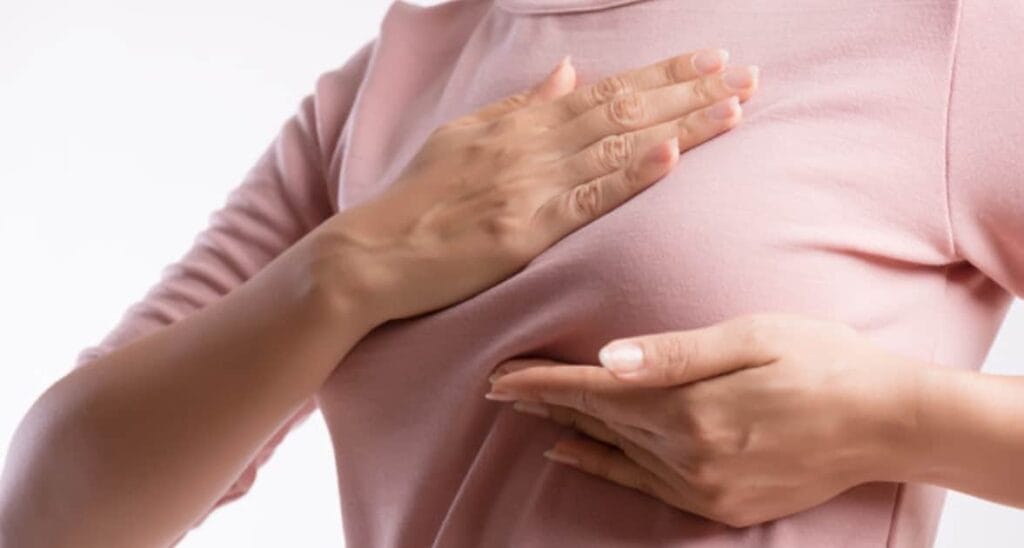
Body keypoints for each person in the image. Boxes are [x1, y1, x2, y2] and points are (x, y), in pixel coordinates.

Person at [2, 0, 1023, 547]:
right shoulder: (392, 75)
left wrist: (896, 420)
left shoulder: (944, 31)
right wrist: (346, 270)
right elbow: (46, 519)